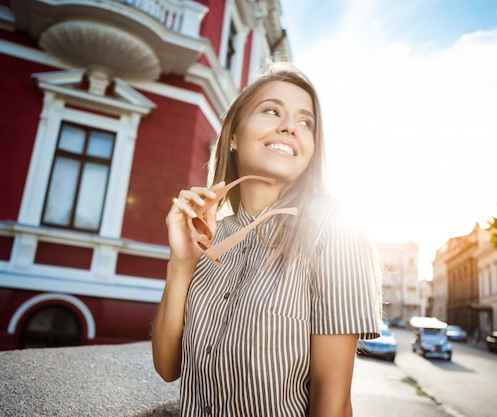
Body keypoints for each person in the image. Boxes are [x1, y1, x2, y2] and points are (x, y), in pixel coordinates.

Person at [152, 61, 382, 417]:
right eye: (272, 111)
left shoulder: (335, 230)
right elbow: (168, 367)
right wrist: (181, 262)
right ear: (233, 136)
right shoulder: (211, 236)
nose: (290, 126)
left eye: (305, 122)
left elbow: (332, 402)